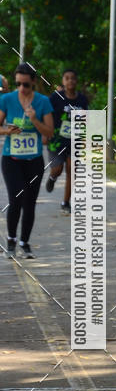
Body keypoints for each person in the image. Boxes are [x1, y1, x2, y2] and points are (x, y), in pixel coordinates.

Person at [0, 63, 54, 258]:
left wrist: (34, 120)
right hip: (11, 159)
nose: (22, 88)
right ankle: (12, 240)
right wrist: (7, 130)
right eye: (18, 84)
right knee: (16, 197)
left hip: (34, 160)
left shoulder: (42, 102)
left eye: (26, 84)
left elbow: (49, 132)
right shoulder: (6, 99)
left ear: (33, 82)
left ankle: (25, 242)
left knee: (30, 202)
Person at [45, 69, 89, 214]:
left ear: (76, 81)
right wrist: (46, 132)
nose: (70, 81)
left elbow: (85, 120)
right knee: (58, 169)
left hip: (74, 141)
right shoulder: (56, 97)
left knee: (72, 170)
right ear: (63, 81)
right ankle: (52, 177)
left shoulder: (82, 100)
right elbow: (47, 114)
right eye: (67, 78)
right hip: (57, 140)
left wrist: (84, 140)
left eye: (73, 78)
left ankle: (66, 202)